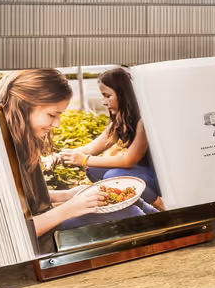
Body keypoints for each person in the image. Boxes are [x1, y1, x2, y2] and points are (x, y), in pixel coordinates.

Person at [0, 68, 108, 240]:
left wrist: (69, 194)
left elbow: (27, 198)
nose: (57, 124)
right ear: (23, 107)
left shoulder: (24, 144)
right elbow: (12, 235)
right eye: (52, 115)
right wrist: (69, 208)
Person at [59, 67, 163, 210]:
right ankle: (130, 202)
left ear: (124, 95)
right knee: (93, 169)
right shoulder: (120, 122)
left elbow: (128, 160)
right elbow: (91, 148)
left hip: (158, 177)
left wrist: (83, 160)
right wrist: (61, 156)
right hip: (141, 173)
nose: (103, 101)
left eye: (107, 96)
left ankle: (158, 205)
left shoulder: (142, 122)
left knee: (112, 175)